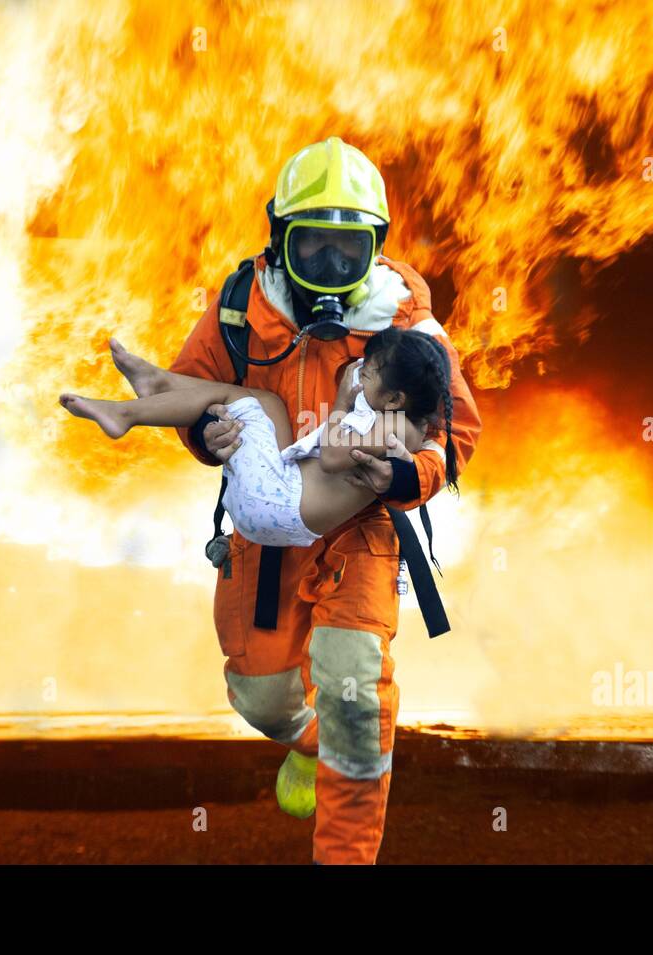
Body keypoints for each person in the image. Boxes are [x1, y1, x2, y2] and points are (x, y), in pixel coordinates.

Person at [170, 137, 481, 864]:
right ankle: (318, 743)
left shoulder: (407, 324)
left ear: (375, 248)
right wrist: (201, 431)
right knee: (262, 696)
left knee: (352, 696)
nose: (335, 269)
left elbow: (455, 426)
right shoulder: (241, 310)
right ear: (282, 242)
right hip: (271, 533)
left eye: (351, 250)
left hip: (364, 532)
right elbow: (189, 388)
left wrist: (406, 479)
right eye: (315, 248)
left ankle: (343, 849)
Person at [60, 330, 459, 548]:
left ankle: (125, 413)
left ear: (396, 398)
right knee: (264, 402)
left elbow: (336, 456)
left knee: (244, 405)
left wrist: (341, 401)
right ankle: (160, 382)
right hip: (281, 491)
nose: (359, 374)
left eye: (369, 373)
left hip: (277, 505)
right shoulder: (389, 413)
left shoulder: (400, 428)